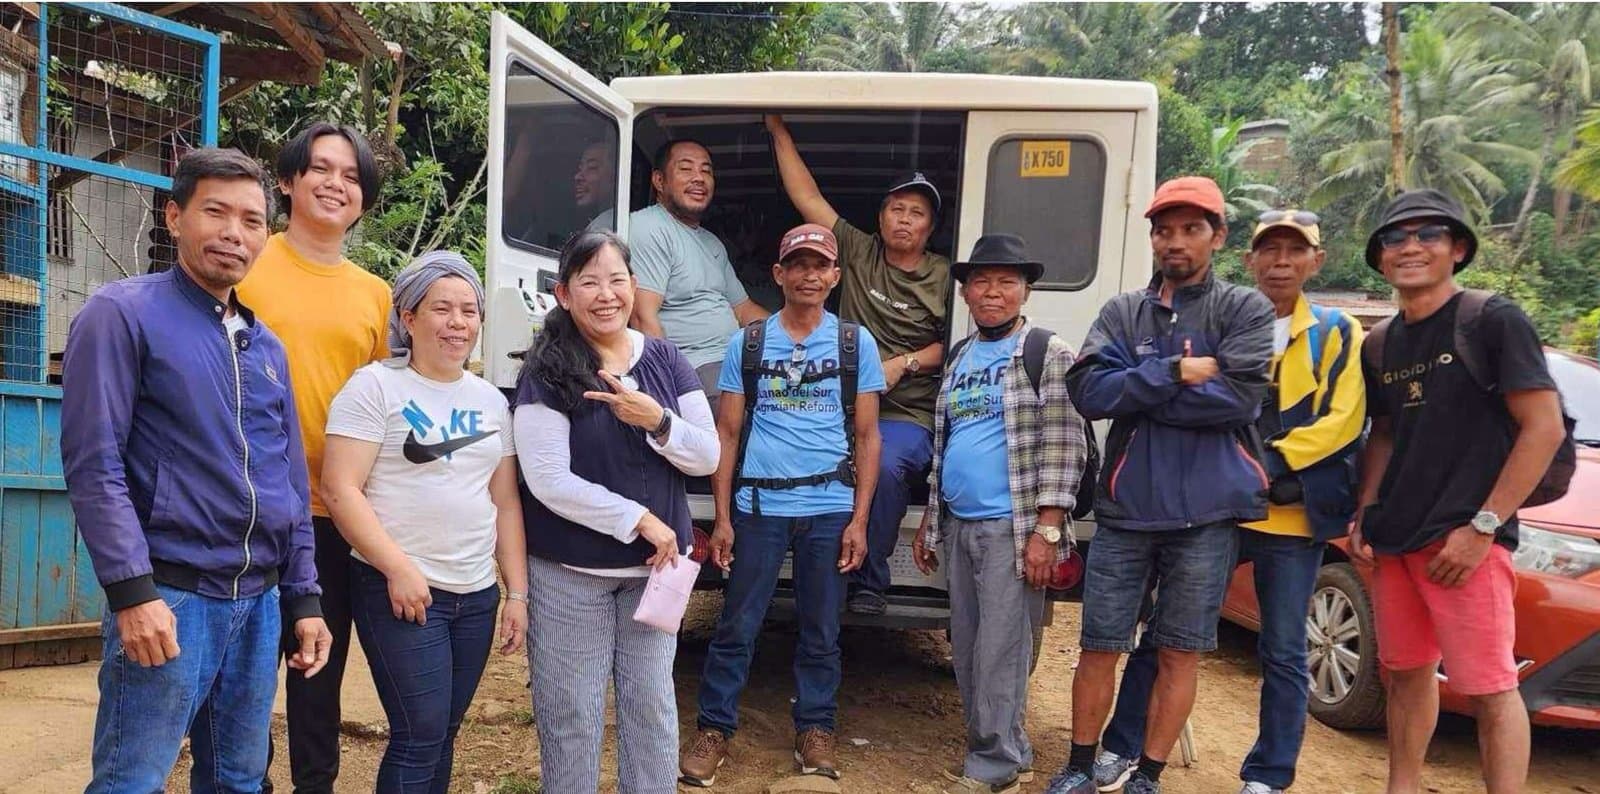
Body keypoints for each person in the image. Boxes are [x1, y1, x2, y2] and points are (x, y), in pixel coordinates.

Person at [62, 147, 333, 793]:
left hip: (258, 604)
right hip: (171, 596)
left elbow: (289, 483)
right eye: (216, 212)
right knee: (132, 780)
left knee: (238, 780)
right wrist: (133, 593)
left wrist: (303, 596)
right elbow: (95, 465)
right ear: (174, 216)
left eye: (252, 220)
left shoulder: (266, 347)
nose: (234, 233)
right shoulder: (123, 314)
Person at [1092, 210, 1367, 794]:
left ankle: (1268, 773)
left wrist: (1268, 467)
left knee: (1284, 648)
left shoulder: (1335, 330)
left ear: (1316, 261)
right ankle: (1121, 744)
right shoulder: (1217, 315)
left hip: (1288, 513)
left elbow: (1343, 419)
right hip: (1213, 506)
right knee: (1166, 632)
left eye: (1296, 251)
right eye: (1270, 250)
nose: (1281, 262)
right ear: (1248, 257)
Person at [1045, 176, 1275, 794]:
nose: (1176, 241)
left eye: (1191, 229)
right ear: (1152, 238)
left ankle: (1147, 774)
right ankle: (1079, 765)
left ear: (1217, 237)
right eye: (1164, 230)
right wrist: (1174, 371)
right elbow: (1088, 393)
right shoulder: (1123, 311)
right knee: (1099, 645)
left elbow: (1240, 401)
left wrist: (1139, 389)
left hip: (1207, 516)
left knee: (1179, 650)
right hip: (1127, 510)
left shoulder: (1245, 310)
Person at [1355, 189, 1565, 794]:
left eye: (1429, 234)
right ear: (1380, 257)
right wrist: (1367, 511)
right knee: (1405, 674)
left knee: (1491, 688)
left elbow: (1543, 427)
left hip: (1466, 542)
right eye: (1395, 238)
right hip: (1397, 540)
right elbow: (1386, 432)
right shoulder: (1380, 343)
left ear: (1459, 249)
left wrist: (1483, 527)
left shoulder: (1491, 319)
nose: (1410, 247)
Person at [513, 230, 720, 792]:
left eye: (617, 280)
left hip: (654, 575)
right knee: (571, 718)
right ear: (564, 294)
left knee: (652, 712)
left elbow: (708, 454)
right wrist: (639, 519)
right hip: (570, 575)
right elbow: (548, 481)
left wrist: (658, 421)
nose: (606, 294)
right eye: (590, 282)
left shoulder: (665, 359)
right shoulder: (547, 369)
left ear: (634, 285)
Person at [680, 223, 884, 786]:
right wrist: (723, 518)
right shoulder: (747, 344)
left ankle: (816, 728)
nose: (808, 276)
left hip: (829, 506)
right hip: (759, 507)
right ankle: (714, 729)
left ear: (835, 276)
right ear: (778, 274)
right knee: (737, 625)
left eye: (819, 266)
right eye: (797, 265)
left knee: (822, 629)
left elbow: (868, 437)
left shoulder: (855, 344)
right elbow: (726, 433)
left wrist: (860, 520)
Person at [320, 252, 528, 793]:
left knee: (443, 733)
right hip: (401, 589)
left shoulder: (490, 401)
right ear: (408, 318)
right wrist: (398, 568)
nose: (458, 322)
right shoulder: (373, 388)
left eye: (469, 310)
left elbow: (505, 501)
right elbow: (340, 489)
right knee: (419, 733)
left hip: (476, 595)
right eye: (442, 309)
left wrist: (516, 594)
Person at [235, 121, 391, 794]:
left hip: (331, 510)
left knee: (317, 667)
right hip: (244, 504)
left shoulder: (376, 293)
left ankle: (315, 785)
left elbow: (381, 404)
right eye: (321, 169)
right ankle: (245, 781)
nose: (336, 184)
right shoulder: (246, 263)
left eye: (351, 176)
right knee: (242, 673)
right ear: (286, 181)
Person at [911, 234, 1088, 794]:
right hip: (960, 523)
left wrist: (1047, 530)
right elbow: (947, 445)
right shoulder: (960, 356)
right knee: (967, 645)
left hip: (1012, 529)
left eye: (1006, 282)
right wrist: (931, 518)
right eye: (981, 282)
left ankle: (995, 766)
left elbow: (1065, 445)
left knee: (1001, 651)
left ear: (1025, 290)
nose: (992, 292)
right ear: (965, 293)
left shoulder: (1047, 351)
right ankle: (1010, 748)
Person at [766, 113, 951, 616]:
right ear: (881, 217)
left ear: (931, 227)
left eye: (916, 212)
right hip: (835, 404)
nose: (904, 219)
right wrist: (778, 130)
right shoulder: (857, 250)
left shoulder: (944, 276)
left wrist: (903, 363)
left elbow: (954, 344)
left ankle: (869, 578)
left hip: (905, 413)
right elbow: (807, 198)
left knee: (885, 466)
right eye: (896, 209)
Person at [630, 138, 769, 408]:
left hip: (735, 359)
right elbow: (643, 318)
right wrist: (670, 391)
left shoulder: (711, 242)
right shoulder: (649, 227)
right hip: (697, 369)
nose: (699, 178)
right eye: (686, 169)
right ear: (659, 181)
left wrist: (800, 335)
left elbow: (744, 311)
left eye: (706, 170)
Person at [574, 139, 617, 231]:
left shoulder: (607, 227)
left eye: (592, 167)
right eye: (580, 169)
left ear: (615, 177)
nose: (577, 177)